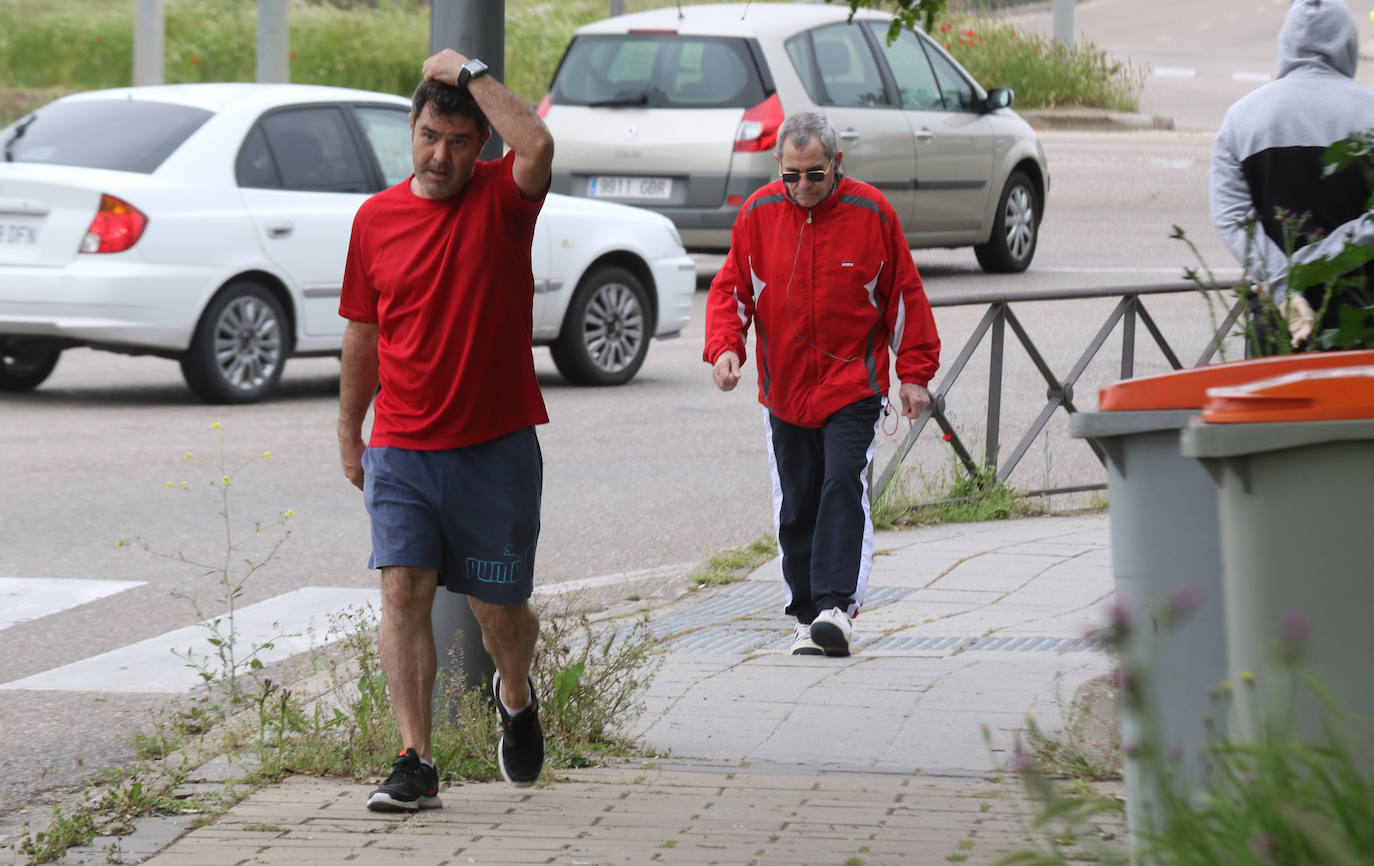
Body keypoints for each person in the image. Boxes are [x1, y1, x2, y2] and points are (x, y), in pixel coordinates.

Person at [337, 48, 555, 812]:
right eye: (430, 136)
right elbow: (363, 333)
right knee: (403, 589)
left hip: (494, 447)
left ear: (480, 147)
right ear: (412, 129)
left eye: (460, 142)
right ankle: (416, 760)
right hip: (402, 443)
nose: (441, 155)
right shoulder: (375, 219)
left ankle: (517, 696)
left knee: (500, 616)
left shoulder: (504, 197)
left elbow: (538, 145)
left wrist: (470, 75)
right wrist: (348, 428)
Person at [703, 111, 940, 658]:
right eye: (792, 176)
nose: (803, 187)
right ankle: (805, 613)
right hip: (782, 391)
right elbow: (730, 291)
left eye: (815, 174)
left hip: (852, 387)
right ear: (777, 168)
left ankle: (836, 608)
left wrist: (914, 374)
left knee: (840, 487)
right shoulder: (757, 214)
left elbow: (905, 295)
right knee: (797, 500)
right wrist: (725, 349)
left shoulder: (871, 212)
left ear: (837, 164)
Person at [1210, 0, 1374, 353]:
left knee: (1275, 405)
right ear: (1349, 45)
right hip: (1359, 316)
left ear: (1285, 44)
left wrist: (1285, 283)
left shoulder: (1241, 119)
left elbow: (1231, 218)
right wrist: (1312, 268)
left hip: (1276, 314)